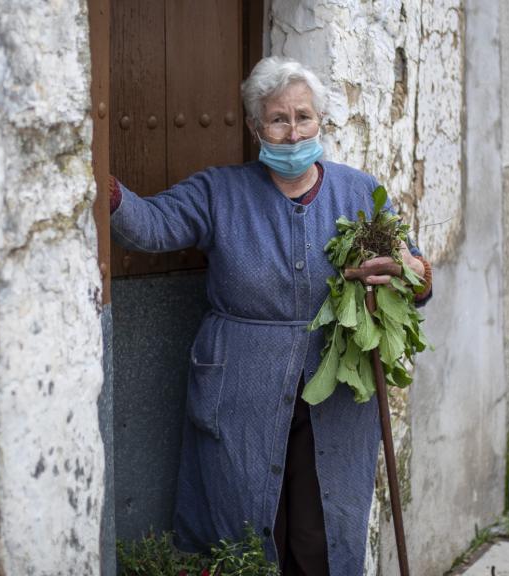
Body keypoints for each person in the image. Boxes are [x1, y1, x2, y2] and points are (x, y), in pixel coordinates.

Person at [109, 56, 432, 575]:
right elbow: (153, 226)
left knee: (322, 526)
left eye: (303, 117)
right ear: (257, 127)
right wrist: (109, 193)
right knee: (244, 519)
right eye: (278, 119)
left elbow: (413, 272)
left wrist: (410, 269)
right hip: (241, 384)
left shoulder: (358, 191)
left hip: (337, 386)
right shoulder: (219, 191)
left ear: (320, 121)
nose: (292, 131)